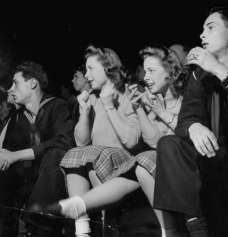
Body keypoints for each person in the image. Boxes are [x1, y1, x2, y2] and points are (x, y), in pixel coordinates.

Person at [42, 45, 188, 237]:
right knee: (75, 154)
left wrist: (111, 107)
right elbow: (81, 143)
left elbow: (132, 141)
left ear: (107, 68)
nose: (87, 75)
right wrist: (85, 112)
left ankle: (96, 211)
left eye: (91, 69)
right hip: (110, 160)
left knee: (97, 155)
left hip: (128, 160)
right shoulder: (93, 99)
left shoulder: (128, 92)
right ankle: (82, 228)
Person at [153, 6, 228, 237]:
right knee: (169, 144)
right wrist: (193, 125)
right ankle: (197, 230)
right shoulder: (199, 74)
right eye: (202, 29)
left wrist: (219, 70)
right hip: (216, 155)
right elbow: (186, 119)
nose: (201, 35)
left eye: (211, 27)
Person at [0, 61, 75, 237]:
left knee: (56, 154)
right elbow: (8, 152)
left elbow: (64, 142)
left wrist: (17, 156)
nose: (11, 89)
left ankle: (36, 229)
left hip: (52, 182)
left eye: (15, 83)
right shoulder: (18, 117)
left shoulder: (58, 107)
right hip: (25, 180)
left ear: (32, 83)